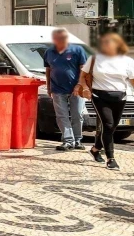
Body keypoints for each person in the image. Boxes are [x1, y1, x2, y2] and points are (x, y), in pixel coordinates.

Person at [78, 31, 134, 170]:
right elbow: (82, 76)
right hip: (99, 97)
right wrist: (84, 87)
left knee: (112, 127)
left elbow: (133, 81)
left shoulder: (127, 61)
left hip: (120, 97)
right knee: (108, 125)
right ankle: (111, 159)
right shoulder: (95, 59)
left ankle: (95, 149)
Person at [43, 28, 88, 151]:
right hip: (57, 89)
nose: (62, 40)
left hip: (76, 89)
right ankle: (68, 140)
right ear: (54, 39)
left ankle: (78, 140)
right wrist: (49, 87)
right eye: (59, 38)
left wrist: (79, 85)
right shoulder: (49, 52)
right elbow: (48, 70)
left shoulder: (77, 50)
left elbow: (83, 70)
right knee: (61, 115)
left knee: (77, 114)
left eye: (64, 38)